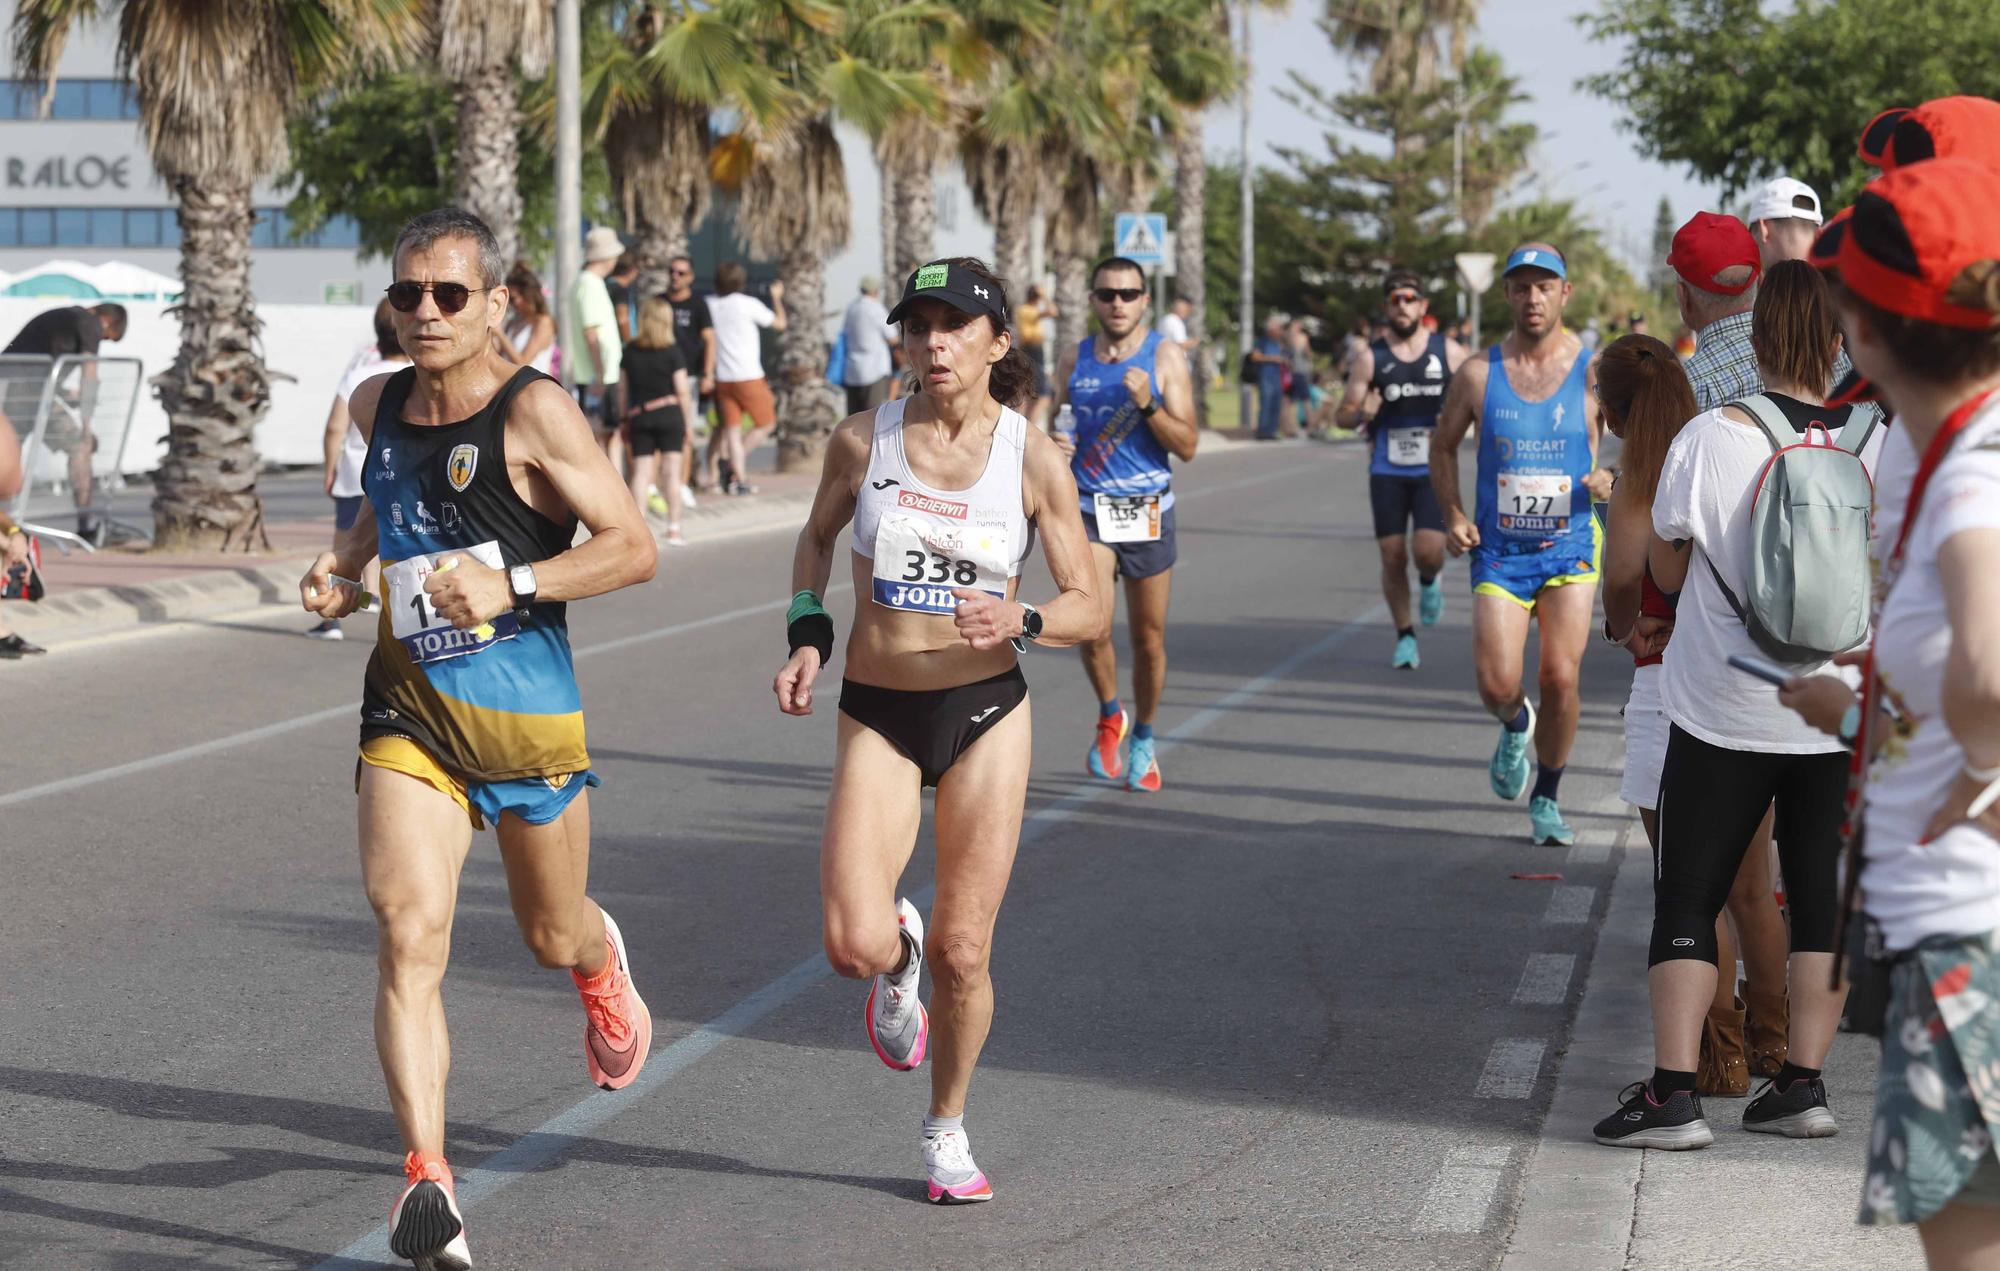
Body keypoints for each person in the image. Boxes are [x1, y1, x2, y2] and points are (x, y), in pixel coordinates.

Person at [298, 207, 658, 1268]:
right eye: (406, 293)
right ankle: (429, 1182)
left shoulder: (534, 411)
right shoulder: (375, 401)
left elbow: (632, 547)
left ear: (497, 302)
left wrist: (515, 581)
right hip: (411, 712)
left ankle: (599, 963)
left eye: (448, 293)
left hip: (525, 720)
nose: (423, 312)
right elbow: (378, 514)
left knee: (552, 932)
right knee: (408, 930)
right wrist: (345, 571)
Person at [773, 256, 1101, 1203]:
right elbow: (815, 542)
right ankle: (895, 956)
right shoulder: (860, 440)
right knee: (849, 943)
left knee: (969, 948)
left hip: (986, 709)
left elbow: (1089, 603)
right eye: (920, 326)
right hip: (879, 708)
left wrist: (1023, 619)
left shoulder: (1032, 458)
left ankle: (946, 1127)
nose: (935, 342)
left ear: (999, 343)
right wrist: (807, 630)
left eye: (957, 325)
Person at [1770, 156, 2000, 1259]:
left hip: (1967, 937)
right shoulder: (1959, 447)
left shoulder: (1970, 469)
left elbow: (1989, 673)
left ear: (1859, 327)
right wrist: (1864, 703)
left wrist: (1982, 770)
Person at [1592, 260, 1873, 1152]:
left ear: (1753, 342)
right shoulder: (1877, 442)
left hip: (1722, 707)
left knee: (1690, 891)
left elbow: (1666, 569)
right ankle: (1802, 1085)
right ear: (1838, 343)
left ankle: (1674, 1095)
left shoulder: (1711, 436)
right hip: (1834, 708)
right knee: (1816, 900)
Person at [1596, 335, 1759, 1092]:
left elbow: (1625, 600)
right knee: (1749, 889)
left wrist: (1627, 617)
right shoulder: (1720, 451)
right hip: (1741, 684)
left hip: (1668, 693)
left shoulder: (1638, 486)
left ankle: (1713, 1057)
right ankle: (1774, 1043)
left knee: (1686, 892)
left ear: (1613, 411)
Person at [1667, 209, 1795, 1085]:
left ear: (1683, 288)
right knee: (1781, 882)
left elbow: (1661, 555)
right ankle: (1784, 1046)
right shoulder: (1818, 369)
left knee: (1707, 877)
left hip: (1717, 662)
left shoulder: (1684, 391)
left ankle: (1717, 1057)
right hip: (1818, 651)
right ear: (1755, 276)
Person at [1430, 242, 1615, 846]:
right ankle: (1515, 724)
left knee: (1561, 675)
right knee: (1496, 683)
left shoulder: (1595, 373)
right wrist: (1454, 512)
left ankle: (1547, 796)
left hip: (1571, 547)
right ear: (1506, 294)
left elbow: (1640, 442)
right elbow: (1441, 444)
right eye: (1520, 287)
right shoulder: (1479, 375)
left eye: (1544, 287)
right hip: (1500, 552)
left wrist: (1611, 478)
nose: (1532, 298)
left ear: (1565, 293)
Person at [1048, 256, 1199, 792]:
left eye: (1129, 294)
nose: (1118, 303)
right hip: (1089, 508)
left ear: (1144, 301)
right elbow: (1057, 423)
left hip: (1149, 509)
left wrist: (1149, 403)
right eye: (1108, 294)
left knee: (1148, 639)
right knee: (1092, 628)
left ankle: (1145, 738)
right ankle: (1111, 713)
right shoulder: (1074, 358)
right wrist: (1057, 442)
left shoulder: (1165, 356)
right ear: (1093, 299)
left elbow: (1188, 445)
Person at [1335, 269, 1468, 669]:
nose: (1403, 306)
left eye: (1410, 299)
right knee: (1392, 556)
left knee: (1428, 552)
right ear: (1387, 307)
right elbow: (1343, 416)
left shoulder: (1449, 352)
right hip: (1387, 469)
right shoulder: (1370, 357)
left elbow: (1477, 398)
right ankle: (1405, 635)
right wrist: (1361, 412)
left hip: (1433, 469)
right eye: (1396, 300)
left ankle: (1430, 580)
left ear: (1423, 306)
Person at [311, 299, 411, 641]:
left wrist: (330, 468)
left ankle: (332, 620)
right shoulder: (415, 377)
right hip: (399, 480)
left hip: (355, 475)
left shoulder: (358, 375)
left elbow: (334, 428)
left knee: (343, 549)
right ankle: (393, 612)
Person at [2, 301, 129, 545]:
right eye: (106, 337)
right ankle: (87, 527)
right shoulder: (89, 323)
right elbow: (89, 371)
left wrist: (63, 392)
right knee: (79, 446)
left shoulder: (63, 317)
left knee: (7, 459)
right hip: (27, 393)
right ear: (106, 323)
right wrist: (87, 425)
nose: (100, 340)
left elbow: (35, 356)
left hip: (20, 389)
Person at [621, 297, 698, 546]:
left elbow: (622, 390)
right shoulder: (672, 352)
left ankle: (641, 531)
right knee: (671, 474)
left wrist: (624, 419)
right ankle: (674, 528)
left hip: (640, 416)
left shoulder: (630, 351)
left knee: (642, 473)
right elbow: (683, 391)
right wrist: (688, 424)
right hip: (669, 414)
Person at [705, 260, 786, 495]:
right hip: (749, 375)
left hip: (722, 376)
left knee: (732, 430)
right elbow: (780, 324)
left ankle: (737, 477)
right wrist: (777, 297)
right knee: (766, 423)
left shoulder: (710, 304)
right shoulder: (748, 304)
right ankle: (732, 464)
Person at [662, 255, 713, 513]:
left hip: (689, 376)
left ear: (690, 277)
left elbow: (709, 339)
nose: (675, 276)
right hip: (661, 376)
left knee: (686, 432)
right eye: (672, 271)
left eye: (681, 273)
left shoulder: (698, 305)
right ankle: (661, 487)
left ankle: (682, 484)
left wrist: (707, 373)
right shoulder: (659, 302)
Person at [569, 226, 625, 457]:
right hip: (598, 376)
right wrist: (600, 375)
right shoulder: (590, 284)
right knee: (603, 438)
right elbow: (591, 332)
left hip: (594, 374)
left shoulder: (585, 283)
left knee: (604, 436)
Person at [841, 275, 896, 416]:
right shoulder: (876, 308)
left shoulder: (852, 308)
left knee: (854, 420)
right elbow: (893, 338)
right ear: (876, 291)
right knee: (874, 419)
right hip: (874, 371)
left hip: (852, 371)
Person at [498, 261, 556, 375]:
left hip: (535, 388)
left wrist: (500, 335)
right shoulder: (513, 321)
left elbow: (523, 363)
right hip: (511, 387)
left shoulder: (543, 323)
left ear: (527, 295)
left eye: (513, 299)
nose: (511, 303)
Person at [1250, 314, 1288, 440]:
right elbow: (1255, 356)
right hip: (1265, 376)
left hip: (1276, 377)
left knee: (1276, 404)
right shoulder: (1263, 341)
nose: (1280, 331)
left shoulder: (1278, 343)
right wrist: (1274, 359)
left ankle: (1272, 431)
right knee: (1266, 403)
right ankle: (1263, 431)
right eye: (1278, 328)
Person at [1287, 320, 1316, 435]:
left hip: (1297, 372)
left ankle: (1293, 427)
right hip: (1298, 372)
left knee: (1291, 401)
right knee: (1301, 401)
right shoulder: (1297, 337)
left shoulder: (1295, 337)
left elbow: (1308, 353)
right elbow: (1308, 353)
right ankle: (1309, 427)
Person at [606, 252, 640, 344]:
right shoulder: (621, 291)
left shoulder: (605, 285)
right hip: (620, 345)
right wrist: (631, 346)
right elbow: (622, 319)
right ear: (632, 269)